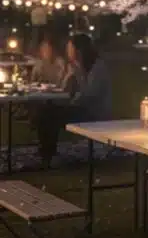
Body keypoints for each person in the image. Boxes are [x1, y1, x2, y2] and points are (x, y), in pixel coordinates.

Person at [36, 34, 112, 166]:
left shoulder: (97, 68)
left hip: (93, 113)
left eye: (70, 48)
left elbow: (89, 94)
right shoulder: (77, 66)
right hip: (82, 108)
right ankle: (47, 153)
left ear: (79, 50)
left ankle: (47, 155)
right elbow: (65, 87)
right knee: (47, 112)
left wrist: (72, 100)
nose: (68, 52)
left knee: (50, 115)